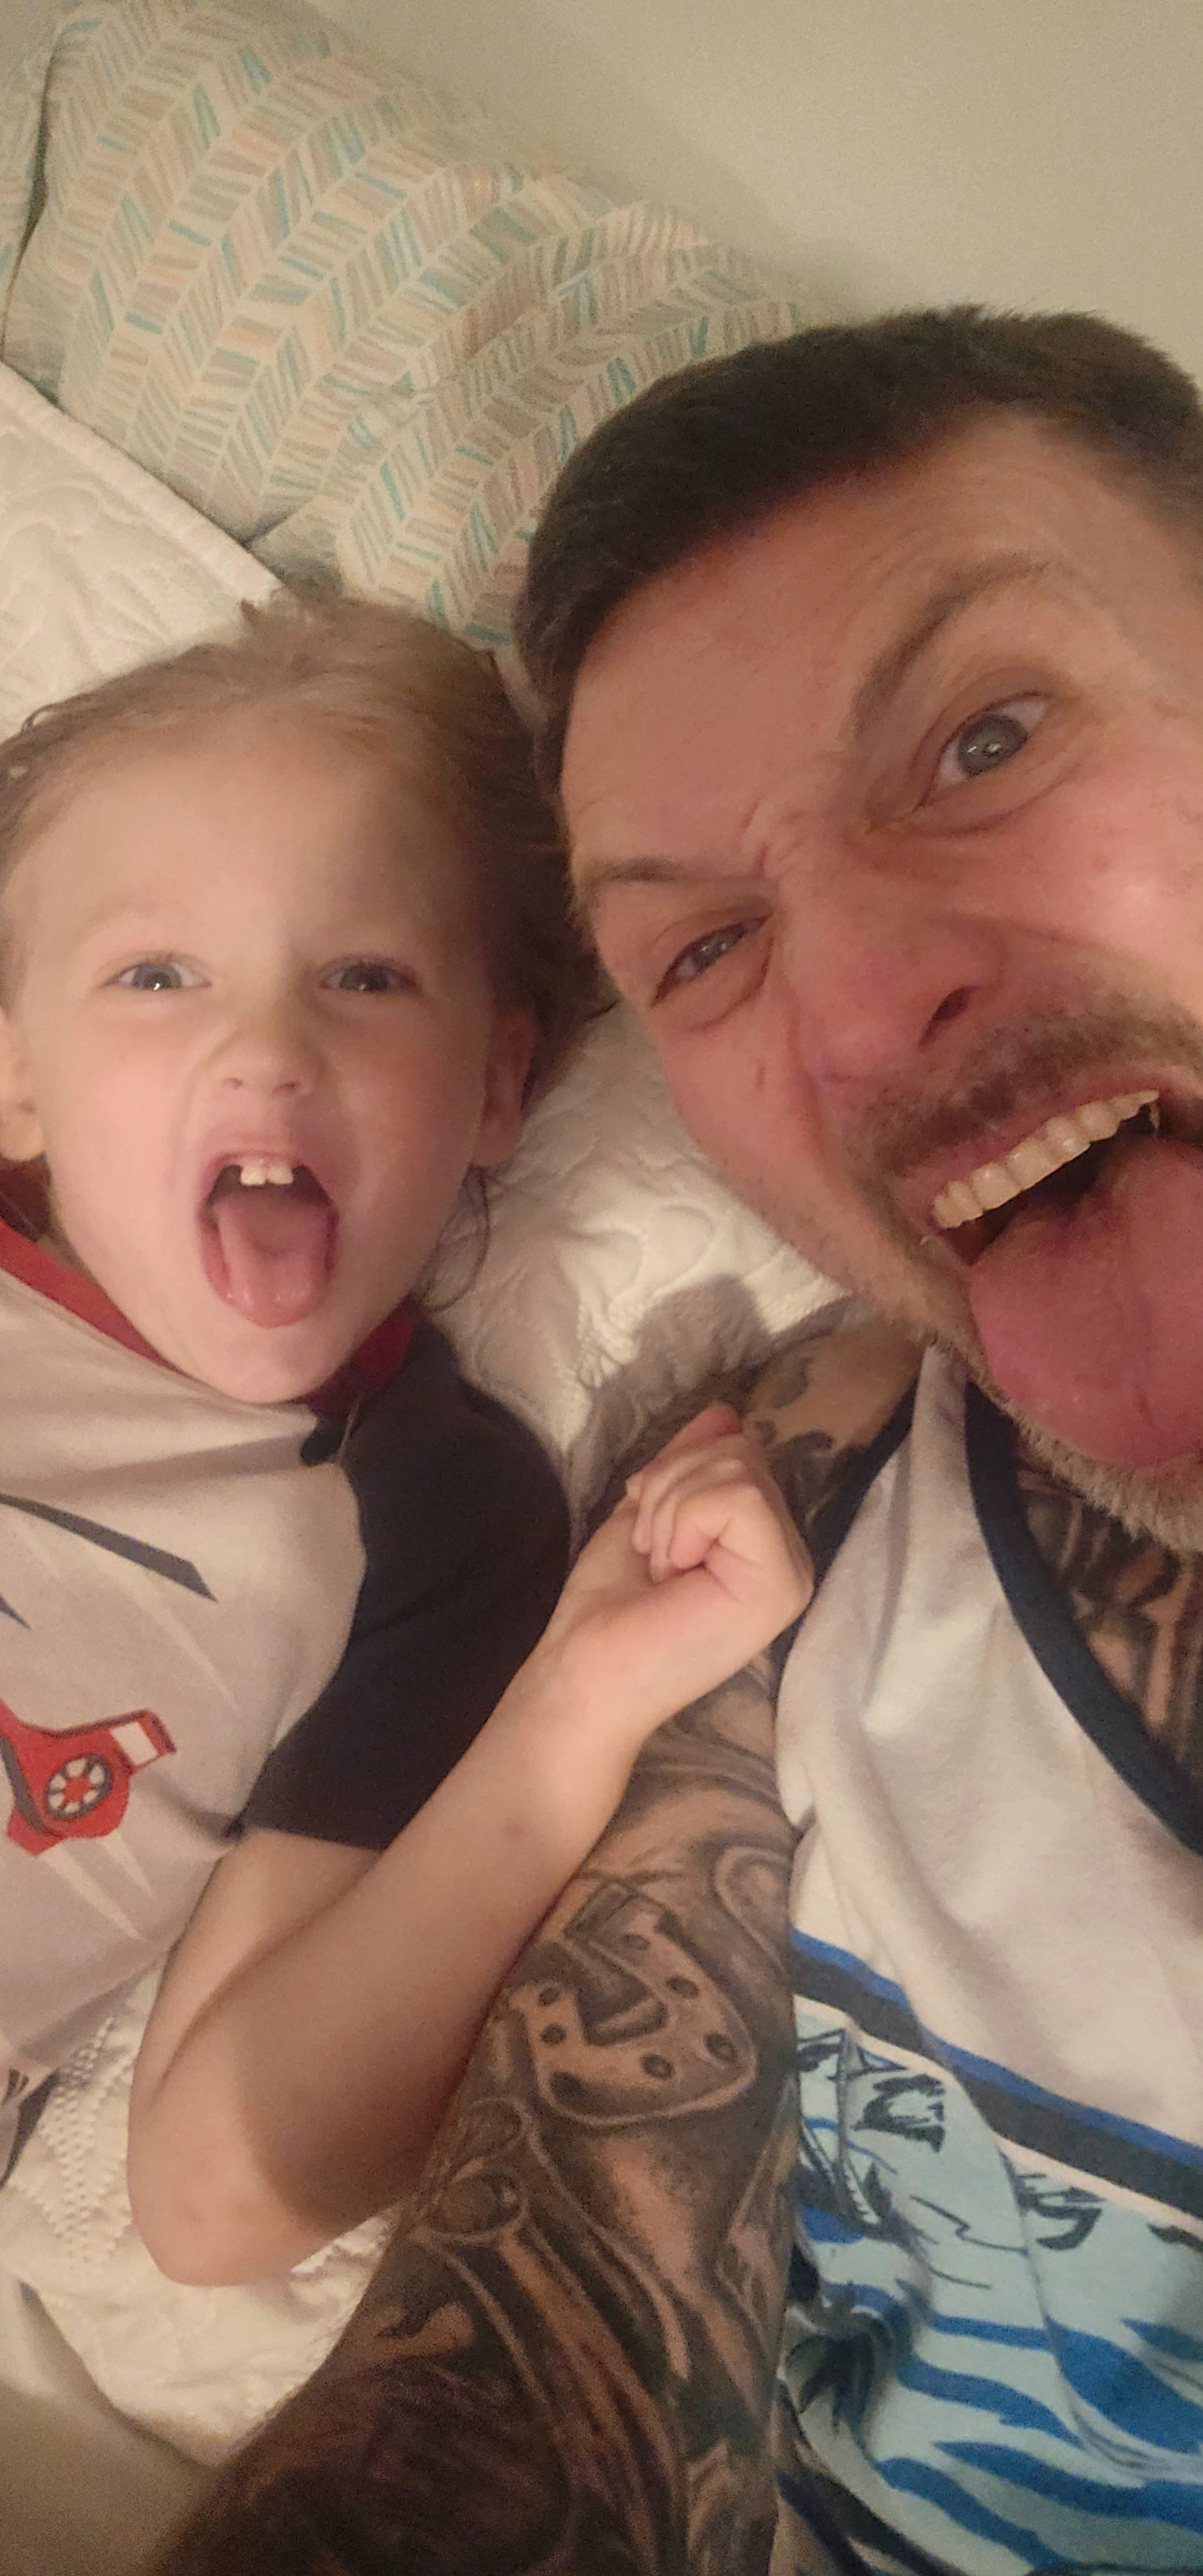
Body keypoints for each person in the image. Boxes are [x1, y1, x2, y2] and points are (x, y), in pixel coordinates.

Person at [149, 306, 1203, 2576]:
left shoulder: (477, 1501)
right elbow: (547, 2365)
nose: (852, 1015)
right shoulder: (795, 1486)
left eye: (986, 739)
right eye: (706, 949)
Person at [0, 584, 610, 2280]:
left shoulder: (450, 1525)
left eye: (364, 975)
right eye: (155, 973)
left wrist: (589, 1705)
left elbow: (216, 2206)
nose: (265, 1046)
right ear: (18, 1077)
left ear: (498, 1085)